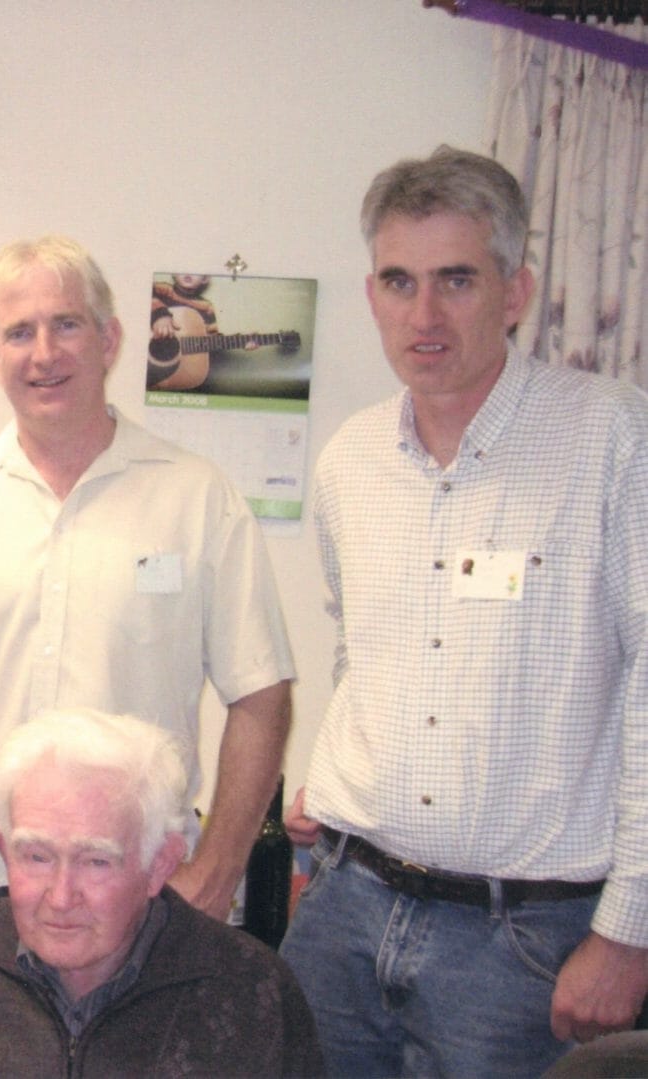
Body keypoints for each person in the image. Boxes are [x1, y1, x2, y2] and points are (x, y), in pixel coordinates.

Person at [280, 145, 648, 1076]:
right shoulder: (349, 460)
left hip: (524, 941)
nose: (425, 315)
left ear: (516, 290)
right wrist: (329, 777)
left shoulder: (613, 436)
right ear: (371, 295)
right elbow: (359, 654)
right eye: (399, 281)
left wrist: (629, 929)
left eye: (456, 279)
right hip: (345, 906)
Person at [0, 235, 295, 926]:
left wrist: (218, 870)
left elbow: (262, 695)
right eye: (19, 332)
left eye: (65, 324)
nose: (44, 353)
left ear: (109, 340)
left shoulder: (197, 498)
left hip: (138, 890)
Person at [0, 708, 324, 1077]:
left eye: (96, 861)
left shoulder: (249, 993)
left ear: (160, 864)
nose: (61, 897)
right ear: (2, 847)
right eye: (36, 856)